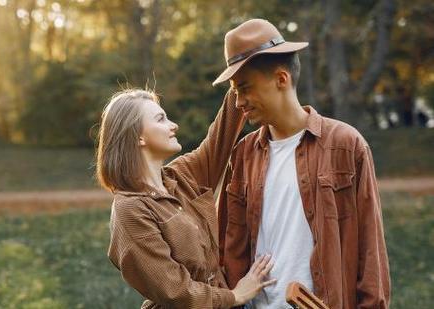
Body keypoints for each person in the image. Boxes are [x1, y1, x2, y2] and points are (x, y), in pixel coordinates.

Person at [213, 19, 391, 308]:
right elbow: (225, 250)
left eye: (244, 88)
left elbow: (371, 252)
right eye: (235, 92)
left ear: (281, 79)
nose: (238, 103)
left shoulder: (345, 144)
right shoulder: (243, 154)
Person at [96, 88, 277, 308]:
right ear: (138, 136)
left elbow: (222, 135)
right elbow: (176, 291)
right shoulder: (131, 209)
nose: (174, 125)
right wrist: (235, 295)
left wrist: (240, 77)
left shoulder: (181, 176)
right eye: (161, 119)